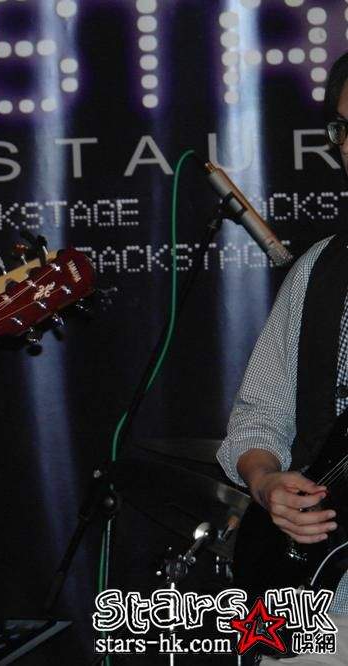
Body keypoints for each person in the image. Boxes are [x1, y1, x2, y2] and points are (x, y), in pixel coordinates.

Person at [217, 51, 348, 664]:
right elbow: (258, 419)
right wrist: (268, 483)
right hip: (309, 601)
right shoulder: (318, 269)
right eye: (345, 128)